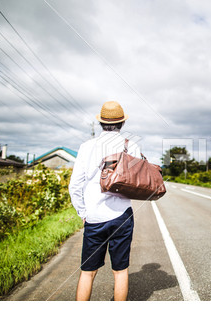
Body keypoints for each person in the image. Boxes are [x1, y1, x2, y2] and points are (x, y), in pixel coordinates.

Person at [69, 101, 141, 301]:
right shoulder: (131, 145)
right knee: (120, 271)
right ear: (122, 123)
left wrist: (83, 213)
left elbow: (75, 185)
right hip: (122, 216)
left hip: (94, 217)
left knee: (88, 272)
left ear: (101, 123)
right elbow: (137, 182)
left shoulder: (86, 147)